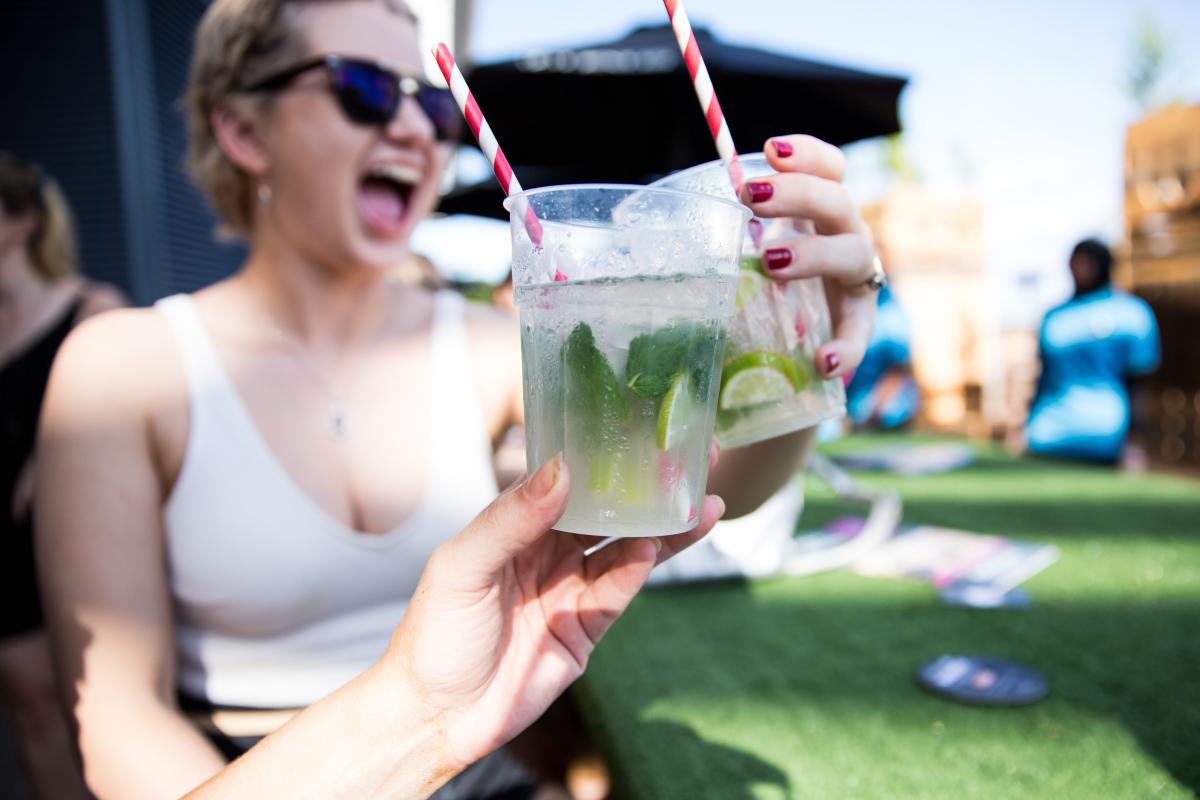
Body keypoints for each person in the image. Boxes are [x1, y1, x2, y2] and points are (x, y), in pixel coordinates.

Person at [35, 1, 879, 797]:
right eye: (363, 90)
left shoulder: (494, 346)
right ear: (240, 128)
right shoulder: (122, 368)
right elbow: (119, 722)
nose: (410, 126)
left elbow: (704, 480)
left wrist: (806, 361)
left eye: (434, 107)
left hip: (466, 768)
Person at [183, 456, 723, 798]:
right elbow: (119, 714)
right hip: (227, 748)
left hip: (458, 739)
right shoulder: (131, 358)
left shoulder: (496, 336)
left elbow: (693, 463)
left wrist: (802, 325)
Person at [0, 152, 125, 799]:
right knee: (30, 708)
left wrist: (49, 454)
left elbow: (126, 413)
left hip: (74, 540)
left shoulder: (90, 309)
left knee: (94, 711)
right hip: (7, 543)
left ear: (21, 221)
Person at [1024, 238, 1160, 465]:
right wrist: (1024, 425)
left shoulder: (1132, 314)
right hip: (1048, 434)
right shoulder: (1054, 317)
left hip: (1104, 437)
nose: (1080, 270)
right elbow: (1042, 377)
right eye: (1076, 263)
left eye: (1088, 263)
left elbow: (1137, 383)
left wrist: (1135, 440)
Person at [844, 282, 918, 429]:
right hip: (851, 400)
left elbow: (898, 369)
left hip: (874, 401)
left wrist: (874, 409)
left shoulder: (889, 311)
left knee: (888, 409)